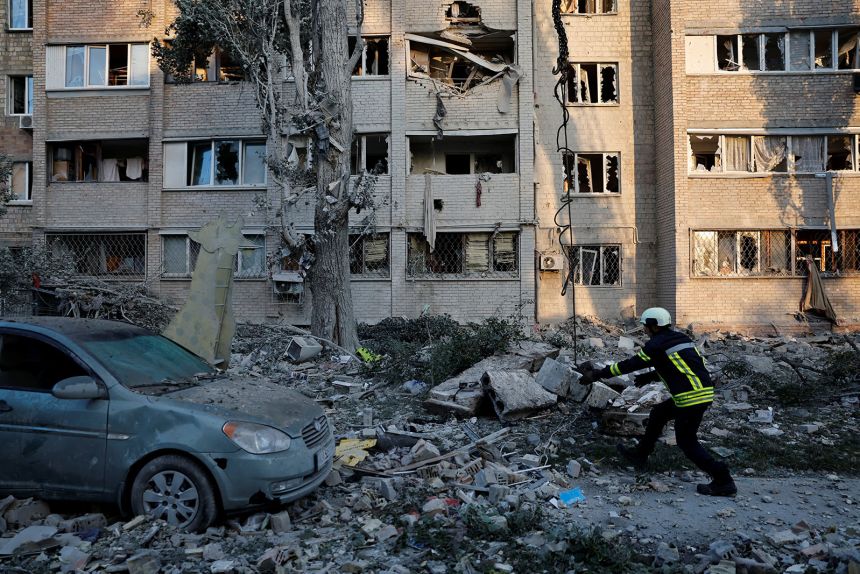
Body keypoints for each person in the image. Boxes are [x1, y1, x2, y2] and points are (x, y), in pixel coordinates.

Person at [579, 307, 736, 497]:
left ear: (654, 326)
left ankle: (723, 480)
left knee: (686, 441)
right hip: (702, 391)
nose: (644, 329)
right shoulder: (680, 339)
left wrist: (598, 374)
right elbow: (677, 365)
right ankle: (640, 455)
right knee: (659, 413)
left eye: (646, 326)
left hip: (690, 397)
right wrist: (650, 377)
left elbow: (631, 364)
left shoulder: (656, 345)